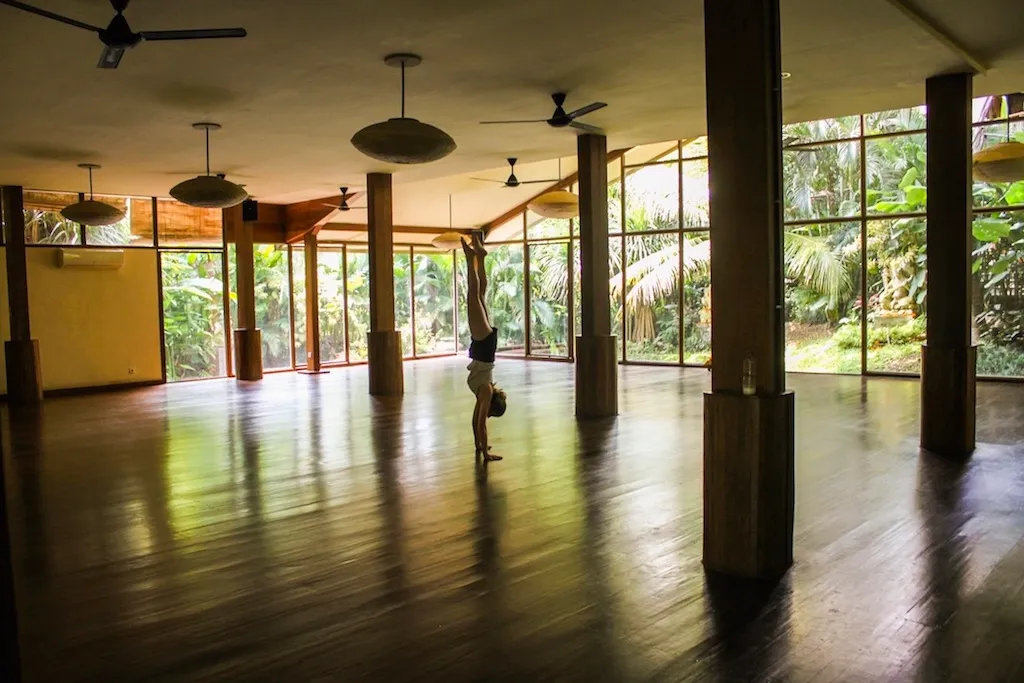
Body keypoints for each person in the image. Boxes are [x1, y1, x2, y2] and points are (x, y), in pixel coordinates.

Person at [462, 232, 507, 462]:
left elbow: (474, 422)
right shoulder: (486, 392)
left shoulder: (484, 392)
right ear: (491, 406)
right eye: (490, 413)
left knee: (480, 293)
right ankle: (472, 259)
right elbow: (480, 423)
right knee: (473, 294)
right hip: (482, 342)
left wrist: (479, 447)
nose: (485, 415)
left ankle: (480, 256)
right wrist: (486, 452)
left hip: (486, 344)